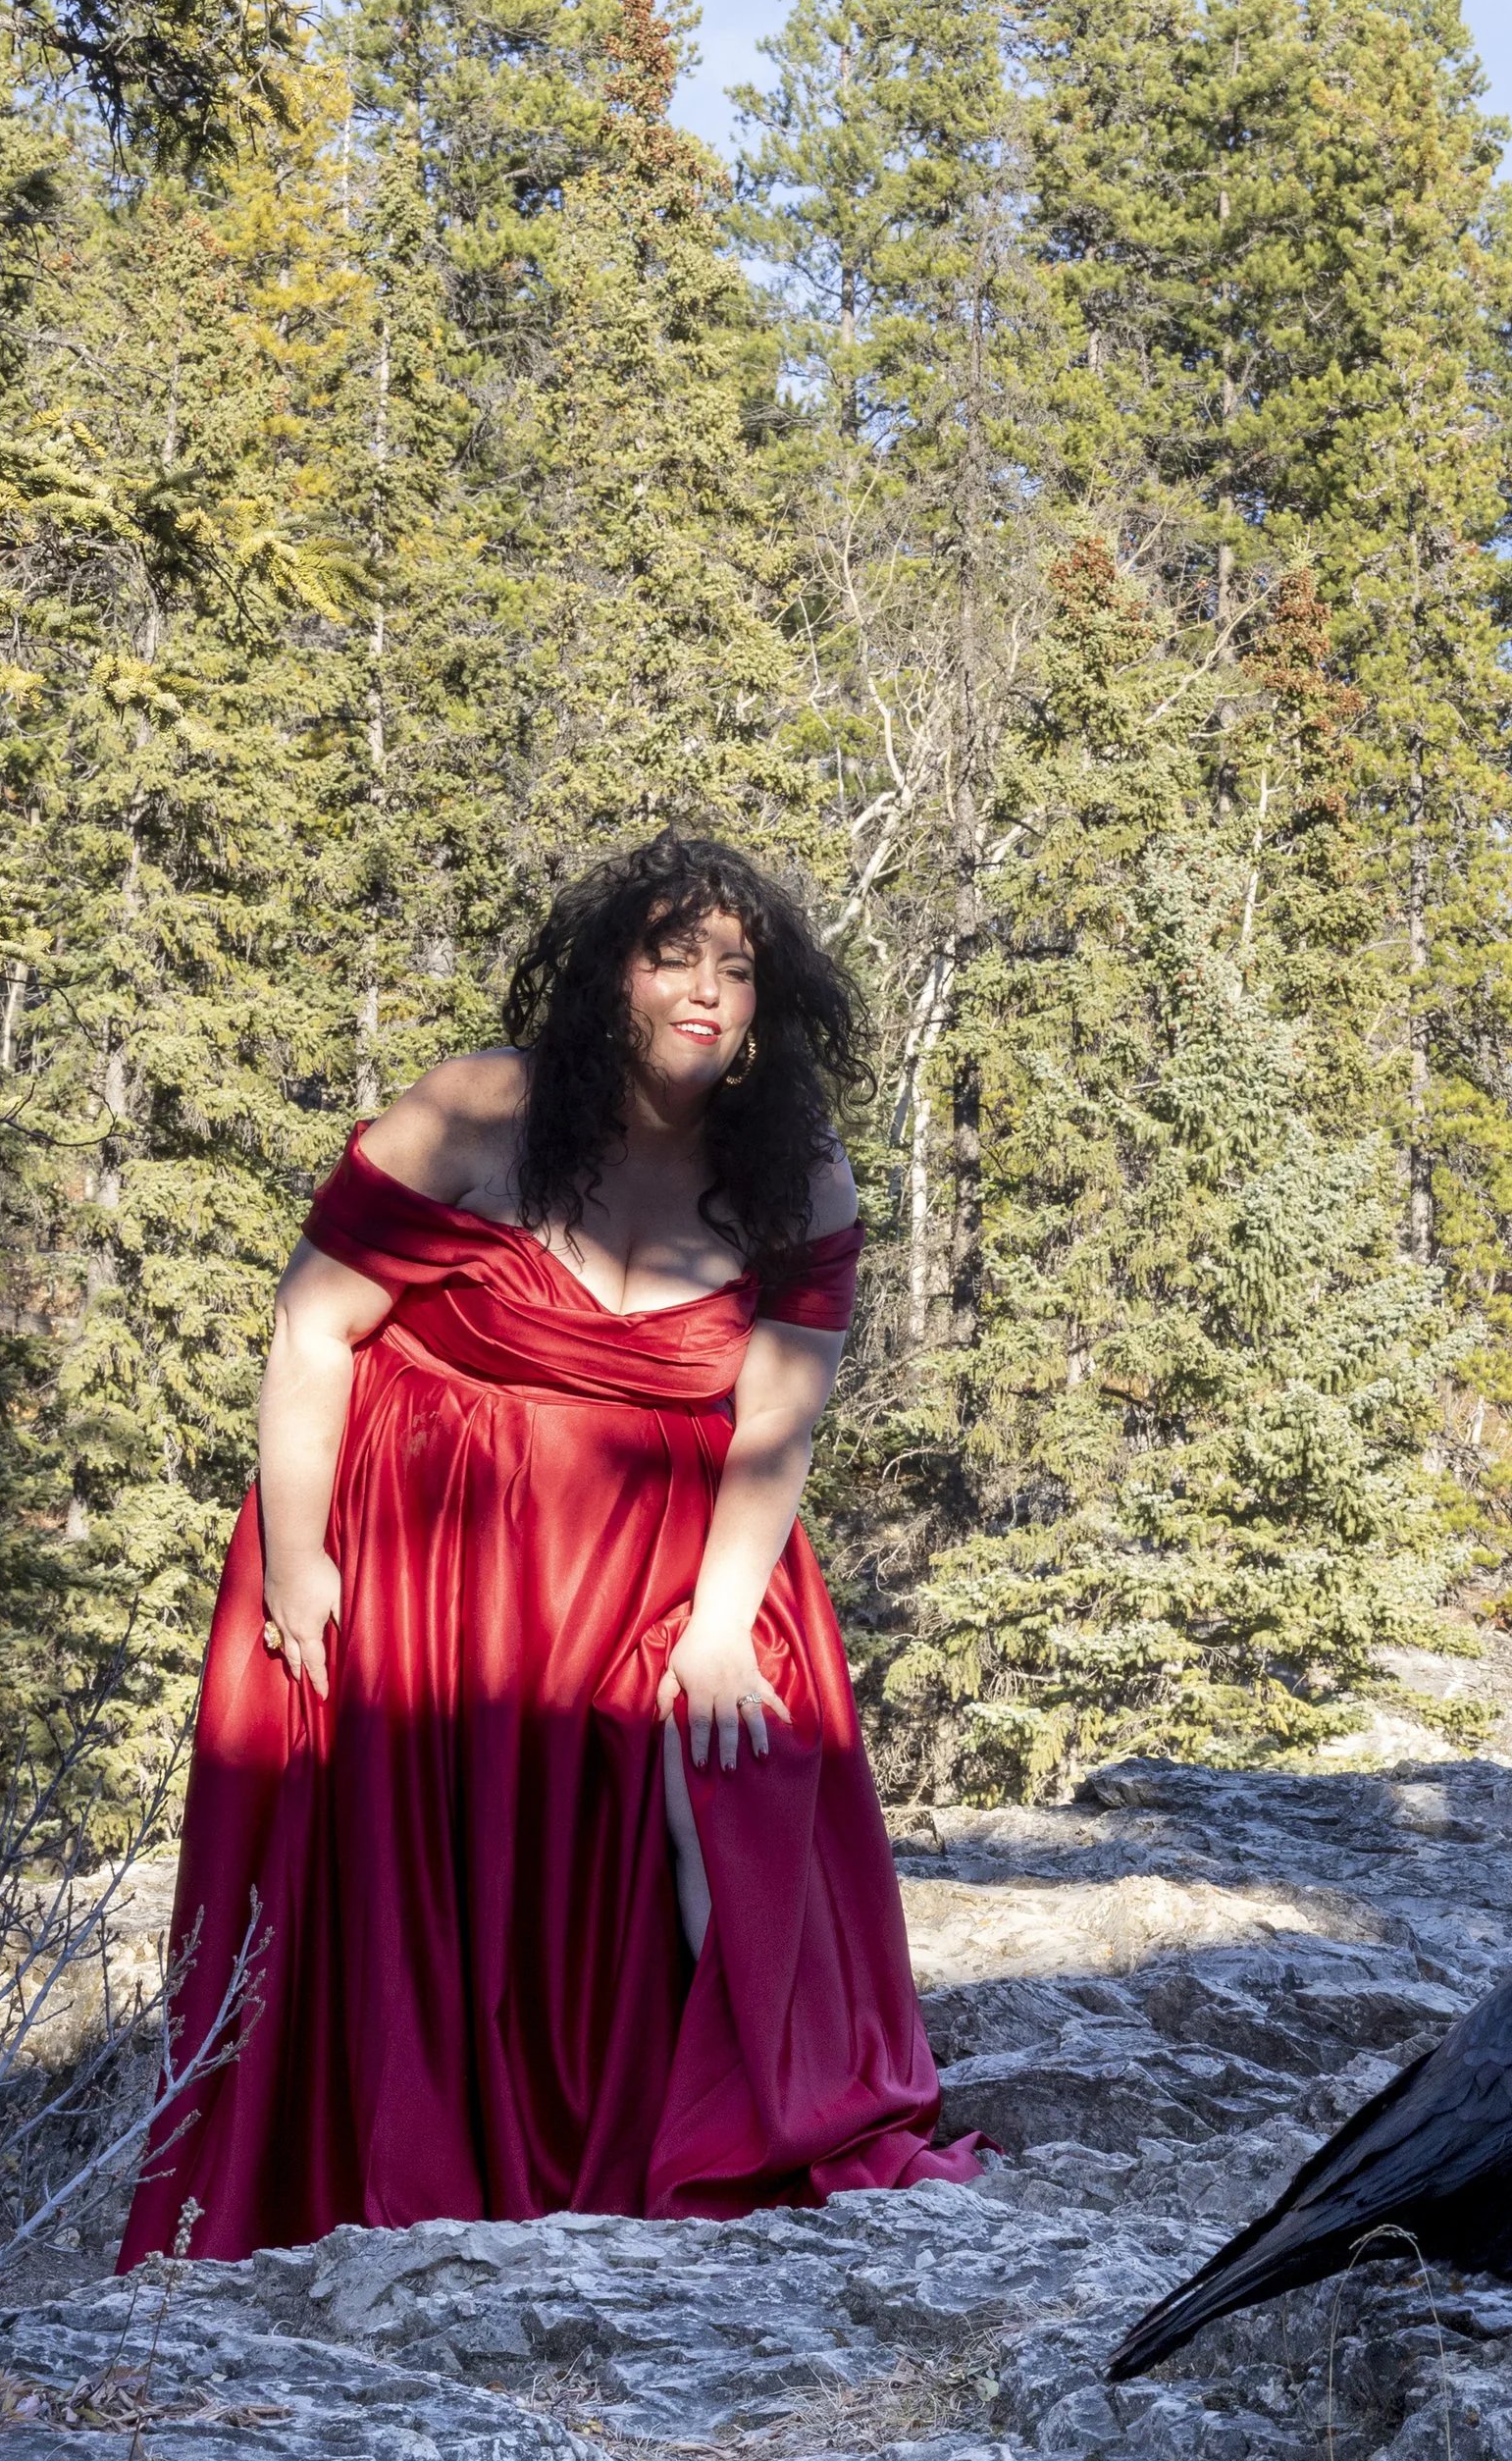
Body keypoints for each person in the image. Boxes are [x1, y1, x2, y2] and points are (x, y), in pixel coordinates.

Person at [120, 832, 984, 2267]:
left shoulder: (797, 1171)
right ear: (608, 977)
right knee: (410, 1874)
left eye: (737, 969)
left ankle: (729, 2131)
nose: (706, 991)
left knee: (745, 1737)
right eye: (672, 956)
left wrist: (716, 1623)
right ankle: (413, 2180)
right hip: (433, 1549)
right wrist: (293, 1558)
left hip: (672, 1548)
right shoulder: (478, 1111)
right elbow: (313, 1325)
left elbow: (778, 1413)